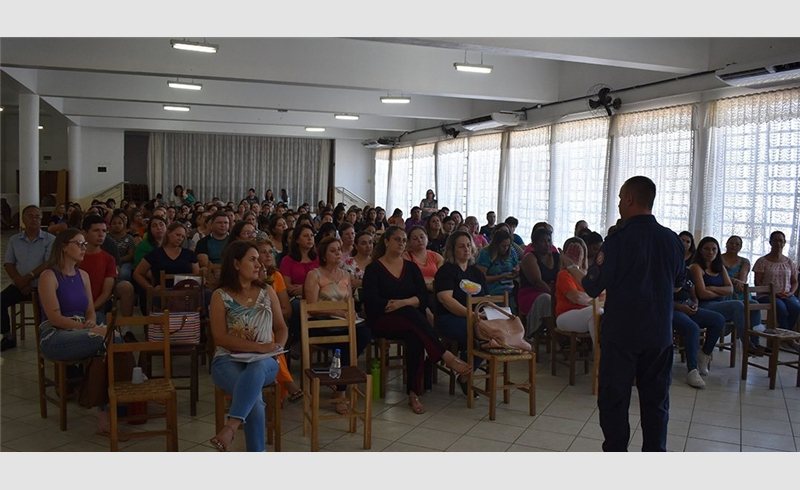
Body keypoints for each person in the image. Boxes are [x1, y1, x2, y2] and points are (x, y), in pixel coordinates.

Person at [581, 176, 685, 452]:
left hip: (622, 335)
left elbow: (592, 285)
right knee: (656, 401)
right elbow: (678, 281)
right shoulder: (672, 240)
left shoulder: (617, 241)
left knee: (615, 400)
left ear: (629, 199)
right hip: (659, 333)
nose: (618, 205)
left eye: (619, 199)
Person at [362, 226, 472, 414]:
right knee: (412, 315)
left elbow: (423, 296)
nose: (401, 244)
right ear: (387, 242)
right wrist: (397, 305)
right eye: (397, 239)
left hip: (409, 320)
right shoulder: (373, 269)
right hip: (382, 320)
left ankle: (414, 393)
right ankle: (444, 354)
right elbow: (371, 302)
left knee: (415, 337)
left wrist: (403, 303)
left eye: (404, 240)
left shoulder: (411, 268)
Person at [37, 228, 116, 436]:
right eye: (79, 244)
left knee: (107, 346)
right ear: (64, 247)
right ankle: (134, 386)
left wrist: (90, 323)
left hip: (82, 330)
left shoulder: (83, 275)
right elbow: (54, 318)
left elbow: (90, 311)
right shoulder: (49, 275)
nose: (84, 248)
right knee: (108, 338)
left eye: (84, 244)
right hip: (55, 334)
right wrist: (88, 328)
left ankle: (105, 410)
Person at [208, 241, 286, 452]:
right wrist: (258, 348)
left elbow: (281, 327)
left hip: (264, 362)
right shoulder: (220, 296)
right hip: (227, 360)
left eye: (259, 260)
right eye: (252, 259)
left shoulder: (267, 291)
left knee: (259, 368)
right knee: (255, 400)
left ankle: (231, 426)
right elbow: (220, 337)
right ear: (235, 264)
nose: (259, 265)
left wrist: (277, 347)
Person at [303, 236, 371, 414]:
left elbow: (348, 302)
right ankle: (340, 392)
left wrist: (351, 312)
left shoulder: (346, 275)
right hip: (321, 323)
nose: (338, 253)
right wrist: (335, 312)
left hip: (343, 322)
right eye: (333, 251)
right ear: (324, 255)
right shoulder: (314, 275)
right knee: (346, 343)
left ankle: (339, 383)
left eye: (339, 250)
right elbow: (311, 307)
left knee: (364, 333)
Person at [433, 231, 488, 396]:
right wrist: (470, 314)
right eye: (461, 246)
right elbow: (445, 299)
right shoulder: (447, 271)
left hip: (475, 318)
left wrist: (486, 314)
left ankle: (464, 375)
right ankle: (465, 371)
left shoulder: (476, 273)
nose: (466, 249)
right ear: (452, 249)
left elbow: (485, 299)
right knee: (483, 336)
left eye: (468, 245)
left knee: (492, 336)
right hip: (449, 319)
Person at [691, 236, 764, 355]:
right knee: (737, 305)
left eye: (714, 249)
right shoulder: (696, 267)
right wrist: (719, 291)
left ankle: (755, 342)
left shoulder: (720, 268)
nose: (710, 252)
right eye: (707, 249)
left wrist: (712, 288)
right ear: (700, 250)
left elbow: (730, 289)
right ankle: (747, 344)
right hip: (705, 306)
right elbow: (702, 294)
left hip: (720, 303)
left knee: (754, 304)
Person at [1, 205, 55, 351]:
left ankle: (47, 337)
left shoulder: (50, 239)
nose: (34, 219)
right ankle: (8, 336)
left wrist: (28, 278)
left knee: (47, 308)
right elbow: (8, 263)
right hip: (20, 285)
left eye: (37, 216)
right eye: (30, 216)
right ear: (23, 219)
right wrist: (20, 282)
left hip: (42, 286)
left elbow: (48, 263)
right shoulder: (14, 240)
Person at [671, 264, 725, 389]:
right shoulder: (665, 269)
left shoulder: (687, 271)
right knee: (693, 328)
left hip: (688, 305)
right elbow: (662, 297)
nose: (685, 244)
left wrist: (695, 304)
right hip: (673, 308)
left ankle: (704, 353)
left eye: (688, 242)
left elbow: (693, 295)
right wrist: (680, 308)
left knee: (718, 319)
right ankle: (692, 370)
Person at [80, 215, 134, 324]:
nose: (101, 234)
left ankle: (127, 329)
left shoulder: (109, 259)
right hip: (73, 309)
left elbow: (106, 293)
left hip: (96, 308)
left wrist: (89, 311)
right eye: (96, 230)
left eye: (104, 231)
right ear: (85, 234)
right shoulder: (76, 256)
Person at [133, 221, 200, 294]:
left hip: (186, 292)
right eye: (178, 235)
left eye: (182, 236)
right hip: (163, 292)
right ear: (168, 233)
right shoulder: (155, 254)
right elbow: (137, 273)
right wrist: (151, 289)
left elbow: (197, 276)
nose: (180, 238)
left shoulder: (189, 254)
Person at [753, 230, 799, 331]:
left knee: (796, 307)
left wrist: (791, 293)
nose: (778, 243)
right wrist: (772, 292)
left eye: (781, 241)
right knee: (781, 308)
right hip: (766, 295)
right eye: (775, 241)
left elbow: (795, 281)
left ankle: (787, 333)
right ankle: (787, 338)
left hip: (786, 294)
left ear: (784, 243)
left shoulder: (789, 262)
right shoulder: (762, 261)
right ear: (770, 242)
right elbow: (758, 282)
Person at [518, 227, 560, 339]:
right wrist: (554, 295)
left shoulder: (557, 256)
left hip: (553, 291)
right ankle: (559, 337)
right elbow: (537, 282)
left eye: (549, 240)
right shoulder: (529, 258)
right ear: (534, 244)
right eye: (542, 241)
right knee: (547, 300)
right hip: (531, 293)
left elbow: (569, 270)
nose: (547, 244)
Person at [475, 230, 519, 298]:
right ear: (496, 245)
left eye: (508, 246)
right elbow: (481, 278)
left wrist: (516, 271)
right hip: (492, 288)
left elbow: (517, 266)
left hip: (510, 285)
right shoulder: (486, 254)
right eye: (503, 246)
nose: (506, 248)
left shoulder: (511, 252)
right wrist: (501, 277)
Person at [721, 235, 750, 301]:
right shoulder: (718, 259)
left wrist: (739, 284)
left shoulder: (744, 261)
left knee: (753, 303)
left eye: (737, 244)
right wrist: (735, 281)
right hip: (723, 287)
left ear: (740, 247)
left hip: (739, 288)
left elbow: (742, 279)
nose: (734, 245)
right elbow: (719, 275)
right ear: (726, 244)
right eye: (731, 243)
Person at [108, 214, 136, 283]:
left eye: (119, 223)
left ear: (124, 225)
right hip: (108, 262)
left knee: (124, 273)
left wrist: (119, 260)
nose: (117, 225)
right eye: (114, 223)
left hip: (124, 263)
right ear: (110, 225)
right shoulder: (106, 238)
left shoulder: (129, 238)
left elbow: (130, 255)